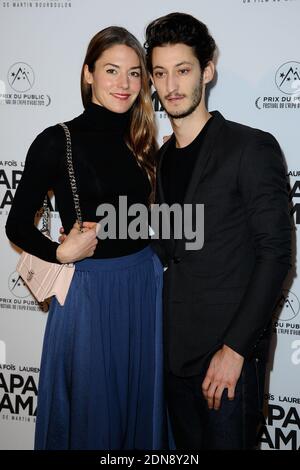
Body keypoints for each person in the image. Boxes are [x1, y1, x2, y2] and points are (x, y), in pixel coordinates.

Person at [6, 26, 167, 450]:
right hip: (89, 293)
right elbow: (17, 225)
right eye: (112, 70)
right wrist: (60, 250)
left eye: (135, 74)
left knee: (139, 414)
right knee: (92, 417)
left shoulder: (144, 141)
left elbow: (148, 220)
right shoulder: (56, 140)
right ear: (88, 74)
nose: (124, 83)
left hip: (144, 286)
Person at [144, 12, 292, 450]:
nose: (171, 85)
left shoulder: (251, 147)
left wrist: (235, 350)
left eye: (183, 70)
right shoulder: (158, 161)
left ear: (207, 72)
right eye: (160, 73)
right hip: (172, 359)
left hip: (227, 364)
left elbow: (275, 254)